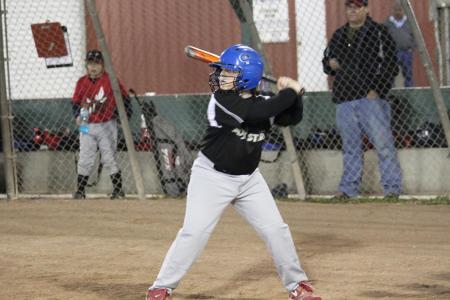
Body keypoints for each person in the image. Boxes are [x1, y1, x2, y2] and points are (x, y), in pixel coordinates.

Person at [145, 44, 321, 300]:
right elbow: (259, 112)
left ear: (247, 78)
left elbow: (290, 118)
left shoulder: (265, 102)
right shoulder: (222, 101)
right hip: (211, 177)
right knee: (194, 232)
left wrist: (295, 96)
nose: (220, 77)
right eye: (222, 72)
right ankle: (161, 287)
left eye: (228, 73)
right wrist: (290, 93)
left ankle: (297, 285)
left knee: (276, 229)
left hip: (249, 180)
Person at [322, 0, 402, 199]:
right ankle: (349, 190)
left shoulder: (379, 32)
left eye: (357, 7)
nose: (352, 10)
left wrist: (377, 90)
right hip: (345, 98)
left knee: (383, 145)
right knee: (350, 148)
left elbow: (391, 65)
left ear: (366, 8)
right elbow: (326, 63)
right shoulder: (339, 35)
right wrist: (330, 64)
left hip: (370, 98)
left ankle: (392, 189)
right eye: (349, 7)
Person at [72, 49, 131, 199]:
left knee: (109, 157)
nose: (93, 67)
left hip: (107, 124)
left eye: (97, 64)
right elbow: (75, 102)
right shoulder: (81, 82)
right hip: (87, 124)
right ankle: (80, 190)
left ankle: (118, 190)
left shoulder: (110, 80)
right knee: (85, 157)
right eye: (90, 63)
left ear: (102, 65)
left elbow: (125, 99)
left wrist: (121, 116)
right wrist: (77, 116)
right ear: (86, 65)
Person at [384, 0, 415, 87]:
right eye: (396, 10)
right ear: (392, 10)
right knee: (391, 74)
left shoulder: (409, 22)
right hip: (393, 53)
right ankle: (392, 92)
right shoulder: (388, 23)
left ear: (403, 10)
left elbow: (415, 36)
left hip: (406, 52)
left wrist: (411, 47)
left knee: (408, 73)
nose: (398, 12)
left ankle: (410, 91)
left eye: (400, 10)